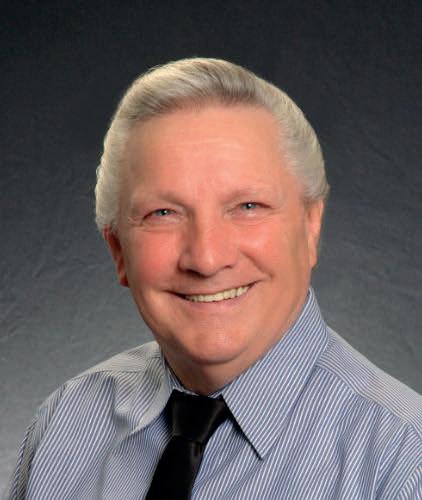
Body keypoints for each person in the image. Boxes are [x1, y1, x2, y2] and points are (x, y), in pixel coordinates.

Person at [6, 58, 421, 499]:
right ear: (118, 250)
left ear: (310, 227)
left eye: (248, 207)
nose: (206, 258)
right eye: (163, 213)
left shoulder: (402, 463)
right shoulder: (64, 426)